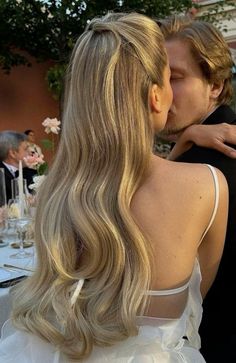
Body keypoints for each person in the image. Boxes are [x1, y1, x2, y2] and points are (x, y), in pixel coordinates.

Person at [0, 12, 228, 362]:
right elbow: (197, 292)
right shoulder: (207, 187)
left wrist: (182, 145)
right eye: (169, 78)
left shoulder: (54, 190)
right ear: (156, 96)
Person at [158, 15, 236, 362]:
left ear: (215, 85)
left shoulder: (207, 164)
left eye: (175, 78)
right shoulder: (201, 146)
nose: (160, 93)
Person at [0, 131, 36, 202]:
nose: (30, 152)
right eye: (26, 149)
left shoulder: (30, 172)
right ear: (13, 153)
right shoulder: (1, 175)